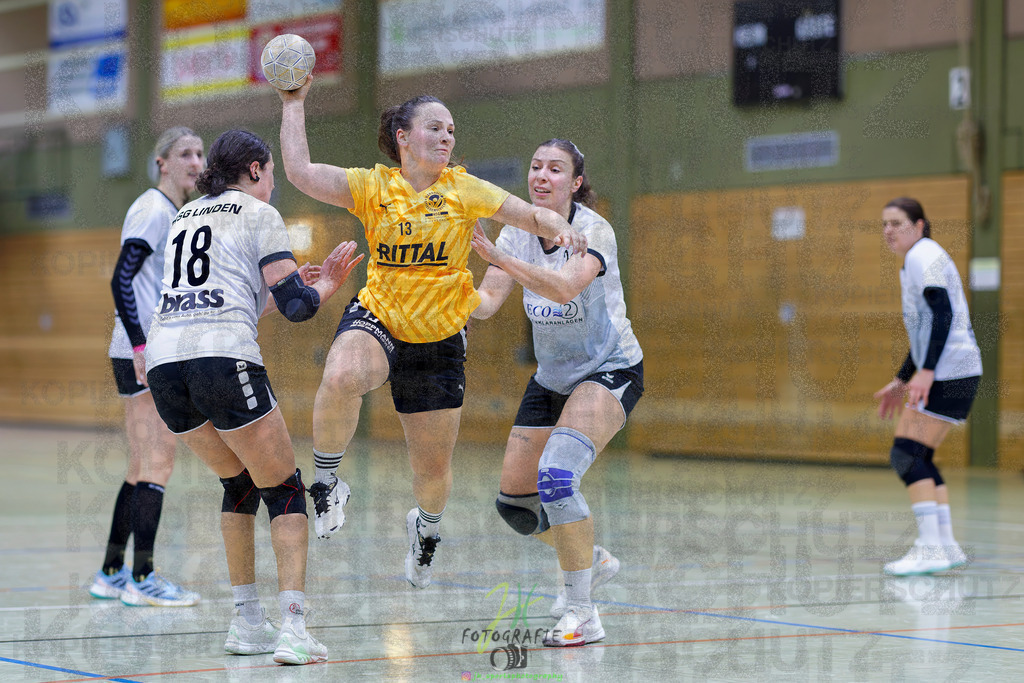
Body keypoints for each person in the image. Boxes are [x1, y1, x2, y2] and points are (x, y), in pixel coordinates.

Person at [275, 79, 587, 589]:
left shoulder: (464, 189)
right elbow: (301, 172)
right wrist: (294, 103)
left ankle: (426, 528)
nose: (447, 138)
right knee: (342, 374)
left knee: (431, 474)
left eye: (451, 131)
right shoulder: (373, 187)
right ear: (403, 137)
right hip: (380, 316)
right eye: (435, 128)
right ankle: (327, 482)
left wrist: (560, 227)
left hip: (440, 338)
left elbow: (528, 214)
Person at [144, 129, 363, 664]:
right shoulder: (259, 213)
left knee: (239, 483)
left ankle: (246, 622)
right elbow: (297, 308)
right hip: (222, 359)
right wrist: (328, 283)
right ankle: (293, 627)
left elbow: (220, 299)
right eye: (271, 175)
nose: (273, 186)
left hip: (165, 366)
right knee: (285, 489)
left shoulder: (184, 216)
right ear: (258, 170)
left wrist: (281, 288)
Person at [470, 139, 643, 646]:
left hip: (609, 369)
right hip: (552, 379)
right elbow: (486, 302)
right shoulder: (515, 232)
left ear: (575, 183)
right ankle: (589, 558)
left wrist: (500, 257)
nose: (542, 176)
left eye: (555, 169)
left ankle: (583, 613)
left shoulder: (594, 231)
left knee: (558, 477)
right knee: (516, 505)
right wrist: (443, 292)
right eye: (536, 167)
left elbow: (564, 288)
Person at [90, 127, 205, 607]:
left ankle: (111, 572)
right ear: (162, 162)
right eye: (185, 154)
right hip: (143, 349)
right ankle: (143, 578)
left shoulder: (173, 212)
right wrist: (141, 345)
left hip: (143, 347)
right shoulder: (154, 209)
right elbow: (121, 278)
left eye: (200, 154)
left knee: (141, 464)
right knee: (159, 461)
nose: (196, 162)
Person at [873, 197, 981, 576]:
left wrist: (928, 372)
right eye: (884, 224)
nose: (888, 230)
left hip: (950, 371)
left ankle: (931, 547)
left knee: (906, 455)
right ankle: (944, 545)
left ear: (919, 225)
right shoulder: (916, 259)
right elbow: (923, 331)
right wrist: (904, 377)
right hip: (955, 370)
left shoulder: (924, 255)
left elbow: (943, 314)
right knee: (920, 455)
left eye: (897, 223)